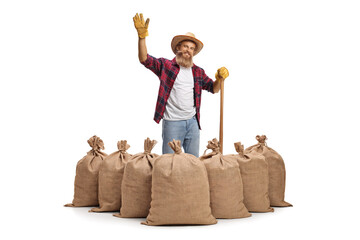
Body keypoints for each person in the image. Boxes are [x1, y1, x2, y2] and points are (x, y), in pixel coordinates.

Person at [133, 13, 229, 157]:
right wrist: (142, 37)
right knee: (169, 165)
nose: (188, 50)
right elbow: (144, 59)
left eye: (191, 48)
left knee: (193, 164)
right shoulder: (166, 66)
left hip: (192, 123)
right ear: (178, 48)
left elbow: (213, 89)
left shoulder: (198, 72)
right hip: (172, 122)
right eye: (185, 46)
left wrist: (220, 79)